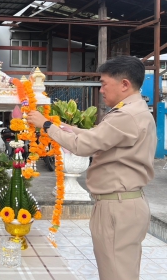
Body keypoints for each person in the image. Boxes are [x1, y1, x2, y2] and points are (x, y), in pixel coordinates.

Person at [27, 55, 156, 280]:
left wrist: (46, 125)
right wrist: (64, 127)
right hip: (123, 203)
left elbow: (82, 146)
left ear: (124, 84)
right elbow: (97, 137)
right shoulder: (134, 110)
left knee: (116, 273)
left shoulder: (126, 115)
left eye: (104, 84)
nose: (101, 90)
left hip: (118, 206)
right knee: (119, 269)